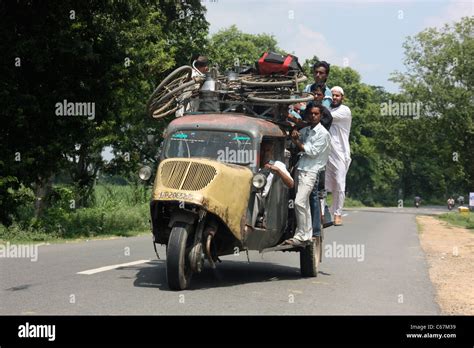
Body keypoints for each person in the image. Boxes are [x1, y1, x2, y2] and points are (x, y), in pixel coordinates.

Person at [283, 104, 331, 246]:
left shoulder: (323, 134)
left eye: (316, 114)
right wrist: (295, 134)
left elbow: (311, 151)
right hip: (301, 168)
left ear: (321, 116)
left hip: (311, 171)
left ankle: (302, 234)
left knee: (299, 201)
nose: (313, 116)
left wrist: (297, 141)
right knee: (303, 203)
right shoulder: (308, 130)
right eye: (311, 113)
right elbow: (298, 136)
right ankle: (306, 233)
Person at [325, 86, 352, 226]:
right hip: (325, 152)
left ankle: (337, 214)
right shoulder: (326, 108)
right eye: (332, 95)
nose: (334, 98)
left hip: (340, 153)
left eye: (337, 96)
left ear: (342, 97)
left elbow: (326, 117)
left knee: (339, 184)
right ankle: (322, 213)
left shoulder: (344, 111)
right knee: (321, 185)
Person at [253, 142, 294, 227]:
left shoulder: (277, 164)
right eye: (262, 150)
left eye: (267, 150)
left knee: (255, 196)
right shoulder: (252, 164)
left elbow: (291, 184)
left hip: (267, 201)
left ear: (271, 152)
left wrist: (278, 171)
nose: (264, 153)